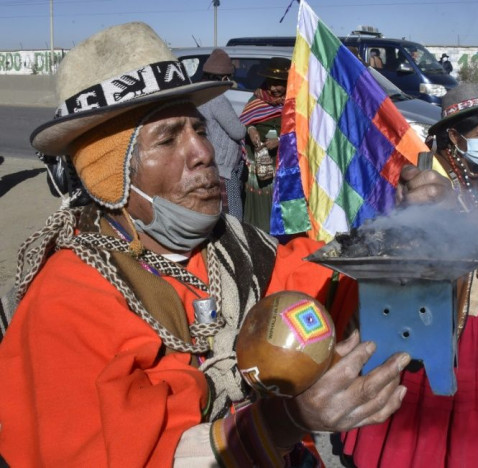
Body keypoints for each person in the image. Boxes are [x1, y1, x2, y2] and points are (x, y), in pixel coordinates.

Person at [0, 22, 453, 467]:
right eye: (169, 138)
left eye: (198, 129)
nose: (203, 152)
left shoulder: (241, 247)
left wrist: (401, 225)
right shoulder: (67, 301)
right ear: (110, 176)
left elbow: (326, 290)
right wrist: (283, 423)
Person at [340, 84, 478, 468]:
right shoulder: (428, 176)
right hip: (438, 308)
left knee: (477, 405)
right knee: (425, 403)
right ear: (453, 135)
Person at [240, 57, 289, 232]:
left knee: (277, 197)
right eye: (271, 83)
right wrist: (251, 129)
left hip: (282, 160)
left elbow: (302, 132)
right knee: (258, 197)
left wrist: (281, 141)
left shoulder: (294, 102)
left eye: (279, 84)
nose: (273, 88)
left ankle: (277, 234)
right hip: (258, 157)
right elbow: (246, 121)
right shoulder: (257, 97)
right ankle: (257, 231)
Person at [198, 48, 247, 221]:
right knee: (233, 218)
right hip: (223, 169)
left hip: (207, 164)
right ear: (224, 78)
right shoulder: (217, 99)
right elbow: (238, 131)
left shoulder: (198, 95)